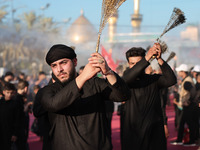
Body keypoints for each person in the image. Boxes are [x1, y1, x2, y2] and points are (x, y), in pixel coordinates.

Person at [37, 44, 130, 150]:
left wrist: (108, 71)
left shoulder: (95, 84)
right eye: (54, 65)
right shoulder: (47, 91)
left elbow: (123, 95)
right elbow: (54, 104)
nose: (59, 69)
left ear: (75, 62)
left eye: (63, 63)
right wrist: (84, 76)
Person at [121, 43, 177, 150]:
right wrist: (146, 58)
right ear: (128, 64)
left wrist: (159, 59)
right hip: (132, 133)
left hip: (154, 131)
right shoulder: (126, 80)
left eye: (139, 63)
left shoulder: (153, 80)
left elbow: (171, 80)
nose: (137, 66)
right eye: (133, 64)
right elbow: (127, 77)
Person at [171, 64, 199, 146]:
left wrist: (189, 101)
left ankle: (192, 141)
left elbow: (193, 92)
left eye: (179, 71)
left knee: (189, 123)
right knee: (182, 123)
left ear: (183, 72)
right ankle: (180, 140)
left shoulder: (187, 81)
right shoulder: (186, 80)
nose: (178, 72)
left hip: (188, 106)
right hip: (186, 106)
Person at [0, 82, 19, 150]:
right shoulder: (1, 102)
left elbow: (17, 120)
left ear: (14, 93)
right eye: (8, 92)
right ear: (4, 92)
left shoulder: (15, 104)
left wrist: (15, 134)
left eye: (11, 93)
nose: (9, 95)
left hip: (10, 132)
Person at [15, 80, 32, 150]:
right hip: (19, 126)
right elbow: (18, 112)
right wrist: (26, 106)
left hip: (20, 125)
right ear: (25, 88)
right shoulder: (17, 98)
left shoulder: (19, 97)